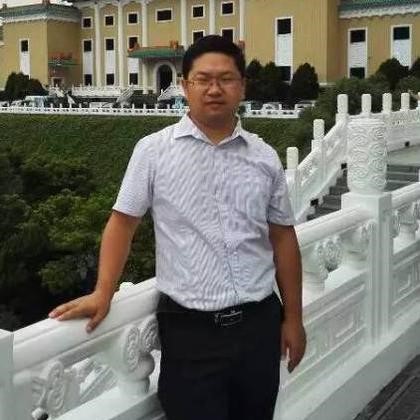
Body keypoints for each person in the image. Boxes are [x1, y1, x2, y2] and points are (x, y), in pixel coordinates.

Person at [49, 35, 306, 420]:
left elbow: (283, 237)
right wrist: (104, 290)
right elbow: (123, 222)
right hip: (191, 331)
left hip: (260, 324)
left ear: (242, 86)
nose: (214, 89)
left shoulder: (264, 157)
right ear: (185, 85)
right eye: (203, 79)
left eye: (226, 79)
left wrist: (294, 319)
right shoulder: (153, 151)